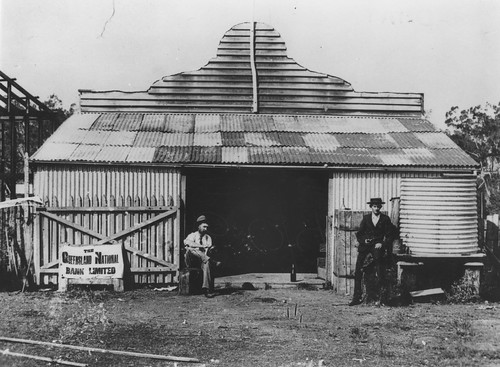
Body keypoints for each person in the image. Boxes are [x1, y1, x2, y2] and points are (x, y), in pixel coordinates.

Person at [349, 198, 395, 306]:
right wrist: (364, 240)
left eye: (378, 206)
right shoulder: (366, 219)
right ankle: (356, 297)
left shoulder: (385, 219)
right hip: (365, 246)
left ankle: (381, 298)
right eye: (375, 206)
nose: (377, 209)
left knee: (380, 270)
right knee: (358, 270)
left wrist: (382, 244)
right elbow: (359, 234)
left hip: (377, 246)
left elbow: (390, 235)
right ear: (371, 207)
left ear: (381, 207)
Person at [184, 215, 220, 296]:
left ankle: (205, 289)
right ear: (198, 226)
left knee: (206, 263)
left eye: (207, 227)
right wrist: (201, 246)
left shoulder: (208, 238)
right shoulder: (192, 235)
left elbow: (207, 251)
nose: (206, 229)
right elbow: (187, 243)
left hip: (202, 260)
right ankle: (211, 260)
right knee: (190, 249)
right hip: (191, 260)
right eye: (204, 227)